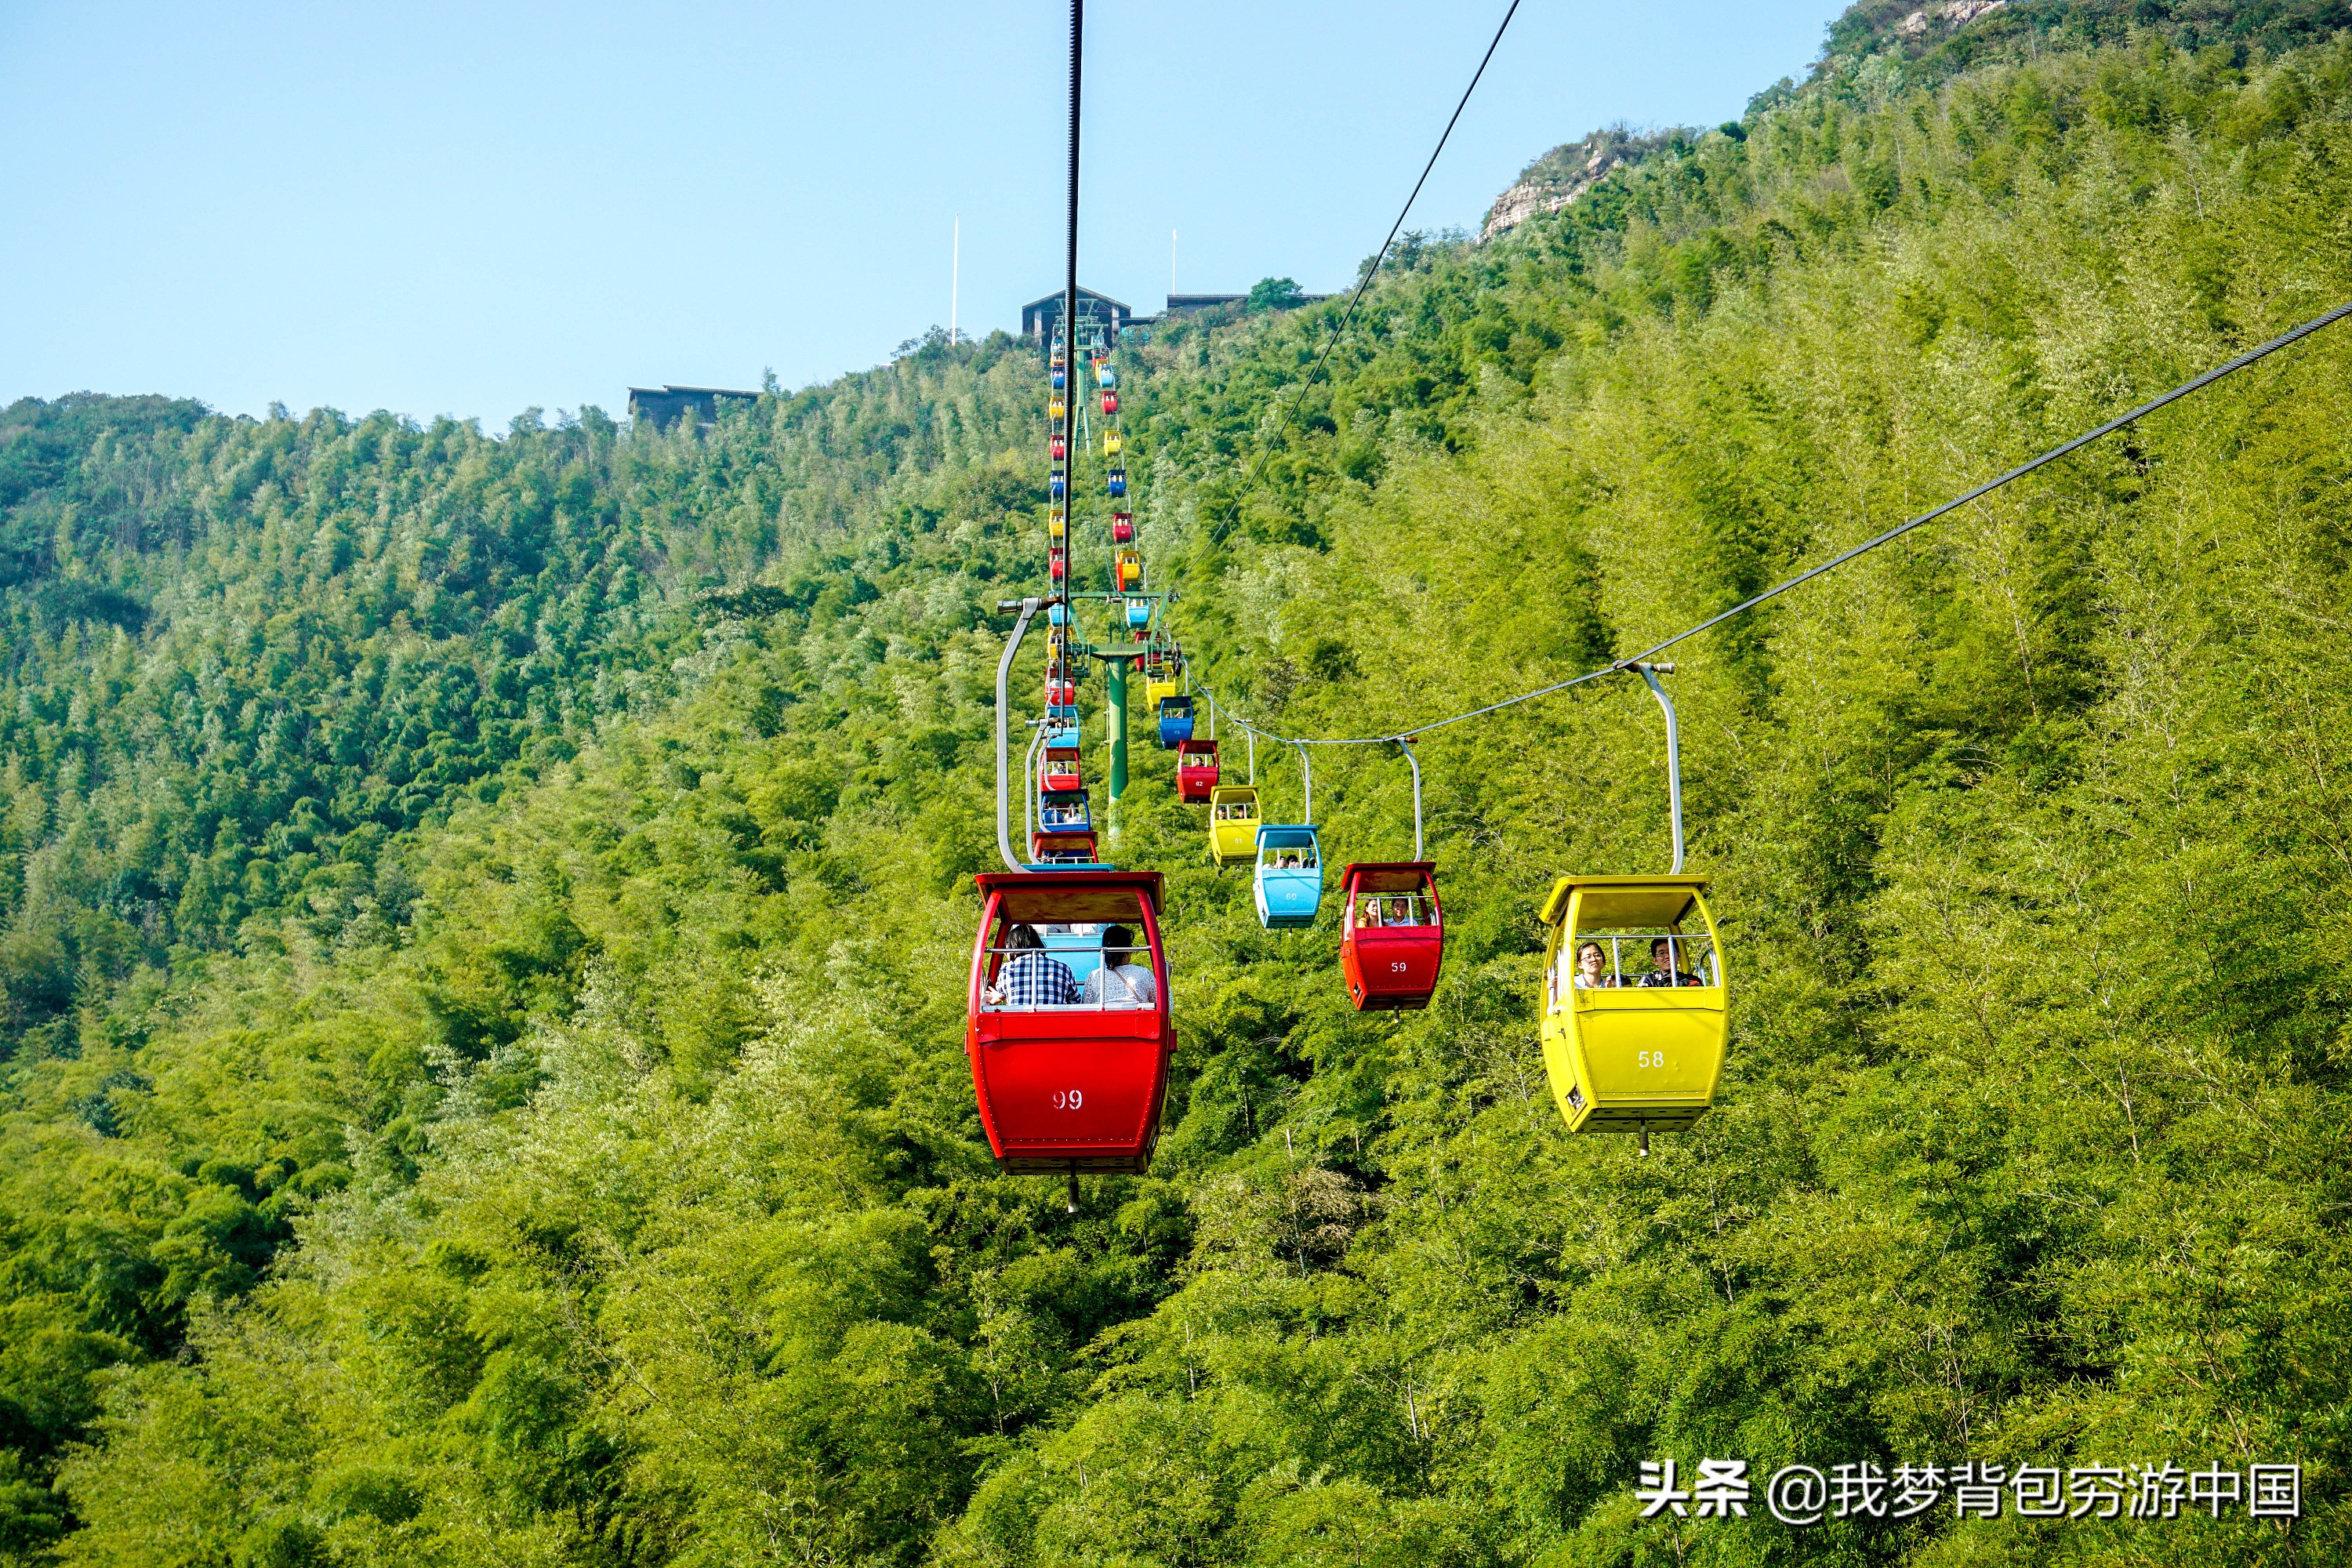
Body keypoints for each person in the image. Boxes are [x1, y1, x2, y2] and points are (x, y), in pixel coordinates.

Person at [984, 924, 1083, 1007]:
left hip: (1018, 1025)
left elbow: (1003, 990)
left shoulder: (1007, 969)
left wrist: (1001, 996)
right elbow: (1076, 1002)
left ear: (1013, 946)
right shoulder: (1063, 969)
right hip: (1054, 1026)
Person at [1083, 924, 1158, 1007]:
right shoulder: (1144, 973)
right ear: (1128, 950)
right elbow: (1165, 1006)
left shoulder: (1095, 976)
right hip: (1135, 1018)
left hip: (1104, 1019)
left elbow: (1087, 1007)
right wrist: (1166, 980)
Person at [1639, 936, 1706, 987]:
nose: (1667, 956)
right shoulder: (1649, 980)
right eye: (1662, 953)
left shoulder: (1692, 979)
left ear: (1679, 955)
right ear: (1655, 960)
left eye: (1671, 952)